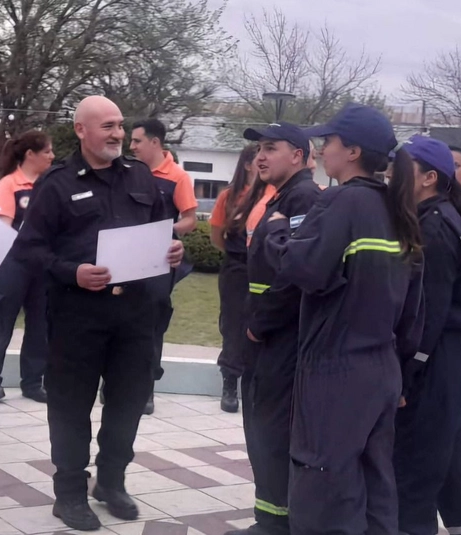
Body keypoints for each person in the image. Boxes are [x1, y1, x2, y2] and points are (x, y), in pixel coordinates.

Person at [12, 95, 184, 531]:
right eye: (107, 126)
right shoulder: (57, 183)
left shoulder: (142, 177)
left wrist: (174, 251)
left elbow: (162, 231)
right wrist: (72, 272)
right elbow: (29, 249)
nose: (117, 134)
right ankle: (69, 493)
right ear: (81, 130)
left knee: (127, 403)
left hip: (137, 315)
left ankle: (111, 481)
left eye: (120, 125)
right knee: (71, 408)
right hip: (79, 316)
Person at [263, 103, 424, 534]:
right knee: (373, 483)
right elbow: (414, 307)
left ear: (352, 151)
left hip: (337, 372)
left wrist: (275, 231)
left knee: (324, 487)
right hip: (382, 369)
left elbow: (304, 268)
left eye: (328, 141)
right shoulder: (397, 209)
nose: (323, 149)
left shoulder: (343, 201)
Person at [394, 136, 461, 535]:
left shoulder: (433, 227)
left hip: (444, 359)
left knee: (414, 470)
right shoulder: (453, 216)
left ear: (428, 178)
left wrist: (408, 373)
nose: (392, 175)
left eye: (402, 168)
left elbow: (428, 314)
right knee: (459, 467)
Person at [227, 124, 322, 535]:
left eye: (271, 148)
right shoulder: (281, 197)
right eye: (258, 149)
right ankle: (269, 519)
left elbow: (293, 274)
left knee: (271, 432)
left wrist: (258, 327)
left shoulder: (302, 199)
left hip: (280, 339)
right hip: (268, 336)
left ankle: (275, 525)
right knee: (263, 431)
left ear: (298, 156)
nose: (260, 157)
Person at [0, 130, 54, 403]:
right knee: (0, 326)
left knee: (40, 328)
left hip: (43, 267)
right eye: (47, 151)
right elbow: (2, 227)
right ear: (30, 155)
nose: (52, 157)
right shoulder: (8, 184)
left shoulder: (51, 185)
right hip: (11, 265)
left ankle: (33, 383)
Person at [129, 118, 198, 414]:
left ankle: (146, 390)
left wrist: (164, 231)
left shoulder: (177, 177)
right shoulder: (127, 172)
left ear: (155, 143)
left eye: (136, 141)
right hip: (125, 259)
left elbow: (191, 219)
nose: (130, 146)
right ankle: (114, 383)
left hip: (159, 262)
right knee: (119, 318)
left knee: (152, 323)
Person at [209, 145, 261, 413]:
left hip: (265, 269)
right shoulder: (229, 197)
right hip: (237, 268)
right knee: (232, 324)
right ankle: (230, 381)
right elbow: (217, 236)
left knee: (261, 323)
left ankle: (256, 383)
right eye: (258, 156)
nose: (264, 160)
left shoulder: (273, 195)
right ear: (247, 164)